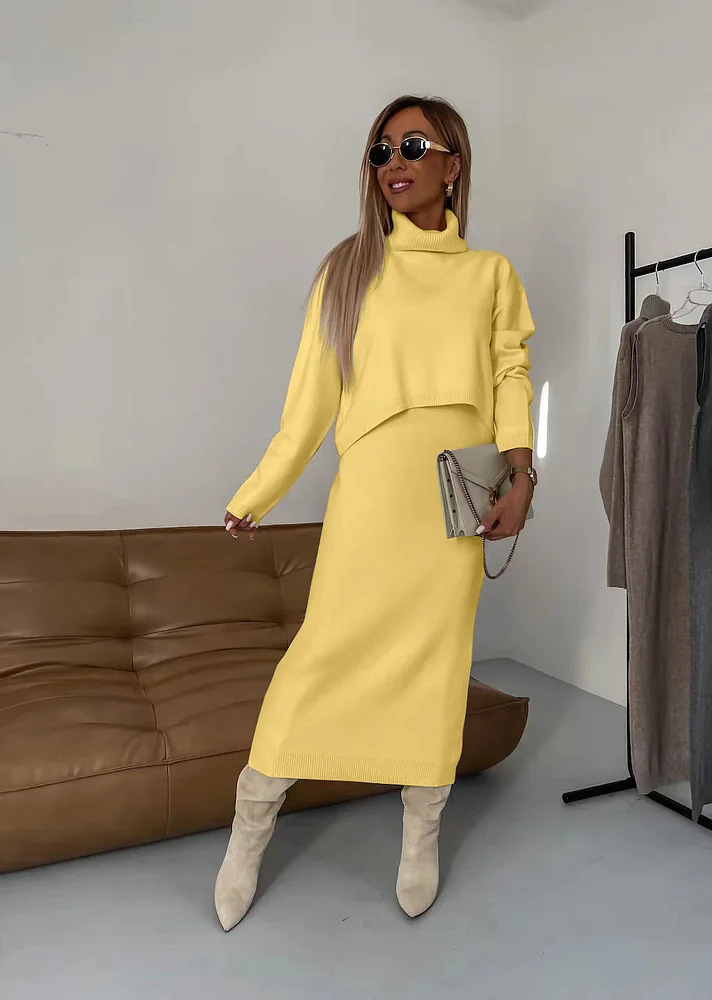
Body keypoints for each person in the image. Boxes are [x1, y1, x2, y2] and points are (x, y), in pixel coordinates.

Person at [214, 95, 536, 930]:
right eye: (381, 150)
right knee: (324, 650)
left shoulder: (490, 273)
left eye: (414, 145)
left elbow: (510, 373)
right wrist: (256, 495)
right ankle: (251, 824)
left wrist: (521, 474)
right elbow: (308, 406)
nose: (394, 161)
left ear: (453, 164)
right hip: (373, 492)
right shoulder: (349, 270)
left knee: (437, 665)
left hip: (455, 497)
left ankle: (420, 833)